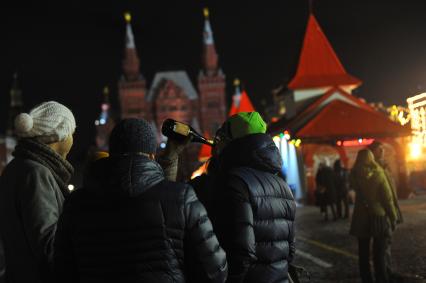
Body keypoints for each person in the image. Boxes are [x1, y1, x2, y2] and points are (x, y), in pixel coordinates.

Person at [53, 118, 228, 283]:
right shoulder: (182, 198)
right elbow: (215, 271)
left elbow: (61, 271)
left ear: (111, 153)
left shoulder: (76, 204)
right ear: (152, 156)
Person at [162, 112, 296, 283]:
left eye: (220, 138)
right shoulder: (282, 185)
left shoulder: (225, 184)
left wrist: (171, 155)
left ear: (231, 143)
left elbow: (167, 203)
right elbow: (290, 252)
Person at [0, 101, 76, 283]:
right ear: (60, 135)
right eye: (72, 132)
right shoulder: (36, 173)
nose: (73, 138)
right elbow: (48, 245)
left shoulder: (17, 167)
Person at [349, 149, 398, 283]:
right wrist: (393, 217)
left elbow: (351, 191)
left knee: (363, 254)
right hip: (378, 217)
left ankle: (367, 279)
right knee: (379, 253)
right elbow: (387, 199)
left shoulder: (353, 174)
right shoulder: (378, 173)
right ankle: (381, 278)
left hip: (360, 218)